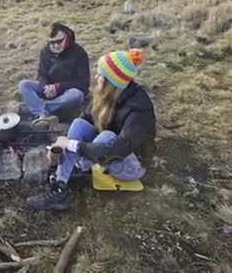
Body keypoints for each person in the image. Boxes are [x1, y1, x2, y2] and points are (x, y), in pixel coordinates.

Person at [25, 49, 156, 211]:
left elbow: (116, 149)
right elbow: (85, 119)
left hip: (133, 165)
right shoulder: (105, 93)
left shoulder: (139, 108)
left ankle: (78, 165)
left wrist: (73, 146)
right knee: (79, 124)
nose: (96, 78)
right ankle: (60, 187)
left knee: (106, 137)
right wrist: (61, 146)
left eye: (100, 75)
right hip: (107, 149)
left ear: (113, 81)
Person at [18, 23, 89, 123]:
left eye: (59, 41)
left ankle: (42, 110)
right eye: (52, 42)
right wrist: (45, 87)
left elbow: (84, 84)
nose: (55, 45)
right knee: (24, 85)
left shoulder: (79, 53)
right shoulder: (45, 52)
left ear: (66, 37)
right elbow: (42, 74)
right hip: (49, 89)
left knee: (76, 95)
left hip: (68, 91)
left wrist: (58, 87)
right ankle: (42, 114)